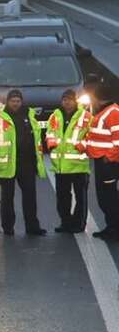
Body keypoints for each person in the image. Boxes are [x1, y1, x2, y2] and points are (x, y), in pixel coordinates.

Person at [0, 89, 49, 236]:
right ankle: (8, 228)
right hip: (6, 165)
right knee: (7, 198)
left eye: (18, 101)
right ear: (7, 102)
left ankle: (32, 227)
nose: (15, 104)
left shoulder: (30, 116)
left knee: (30, 197)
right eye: (13, 101)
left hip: (27, 163)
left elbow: (37, 137)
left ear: (22, 101)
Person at [47, 90, 93, 234]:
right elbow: (50, 133)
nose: (67, 102)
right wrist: (51, 143)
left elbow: (92, 134)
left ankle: (79, 224)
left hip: (79, 164)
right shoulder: (55, 116)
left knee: (81, 197)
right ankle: (65, 222)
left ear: (75, 101)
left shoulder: (86, 117)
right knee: (62, 197)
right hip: (61, 166)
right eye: (64, 100)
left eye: (70, 100)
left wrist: (84, 145)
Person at [87, 93, 119, 238]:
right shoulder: (104, 112)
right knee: (104, 197)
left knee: (108, 197)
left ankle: (115, 229)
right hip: (101, 161)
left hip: (108, 163)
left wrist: (108, 158)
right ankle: (111, 226)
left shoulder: (113, 113)